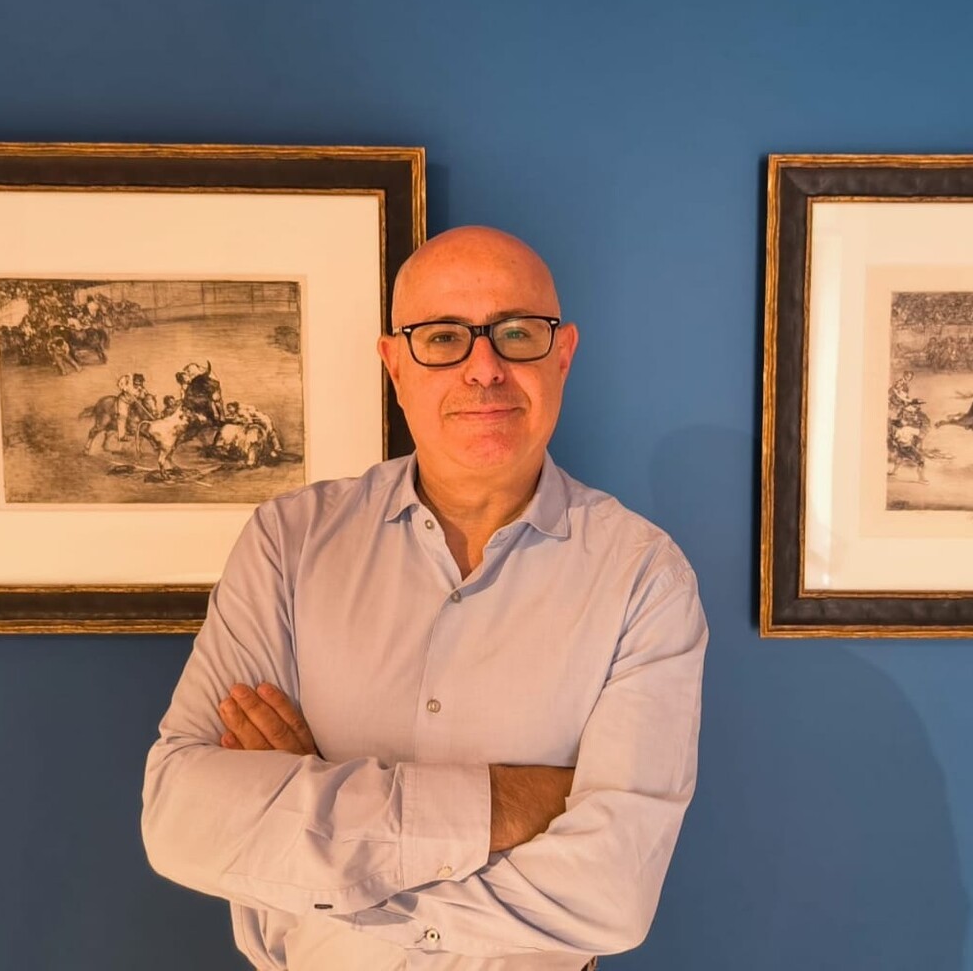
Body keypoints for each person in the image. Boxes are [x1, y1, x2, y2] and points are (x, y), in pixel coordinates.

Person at [142, 227, 708, 971]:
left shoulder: (645, 575)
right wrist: (508, 803)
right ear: (395, 365)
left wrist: (320, 835)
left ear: (562, 353)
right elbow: (183, 818)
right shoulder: (289, 543)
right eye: (443, 337)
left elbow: (610, 892)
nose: (485, 369)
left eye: (516, 333)